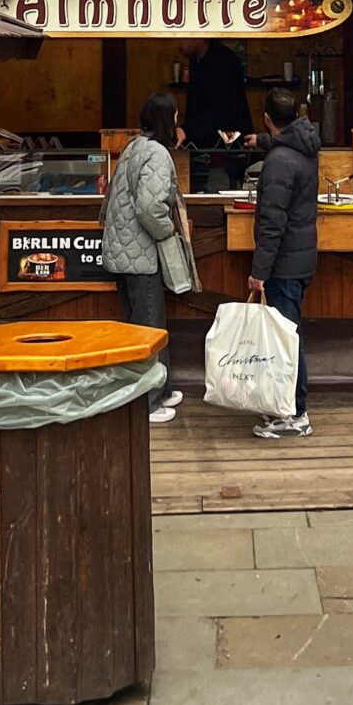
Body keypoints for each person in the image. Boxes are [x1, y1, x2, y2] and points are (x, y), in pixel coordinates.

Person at [100, 90, 189, 424]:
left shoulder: (134, 146)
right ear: (168, 120)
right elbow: (150, 208)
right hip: (140, 253)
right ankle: (147, 402)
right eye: (176, 116)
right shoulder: (157, 154)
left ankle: (161, 387)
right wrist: (167, 231)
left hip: (122, 250)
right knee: (148, 326)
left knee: (149, 320)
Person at [247, 83, 319, 439]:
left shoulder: (278, 163)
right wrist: (260, 141)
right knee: (289, 335)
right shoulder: (303, 147)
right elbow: (282, 144)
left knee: (286, 339)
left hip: (283, 263)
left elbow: (272, 222)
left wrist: (259, 272)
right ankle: (290, 407)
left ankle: (294, 412)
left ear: (266, 119)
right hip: (300, 257)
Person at [184, 38, 252, 190]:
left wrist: (187, 130)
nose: (178, 42)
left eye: (184, 36)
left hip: (227, 147)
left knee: (222, 193)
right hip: (203, 147)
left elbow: (223, 110)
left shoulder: (224, 61)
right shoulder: (197, 60)